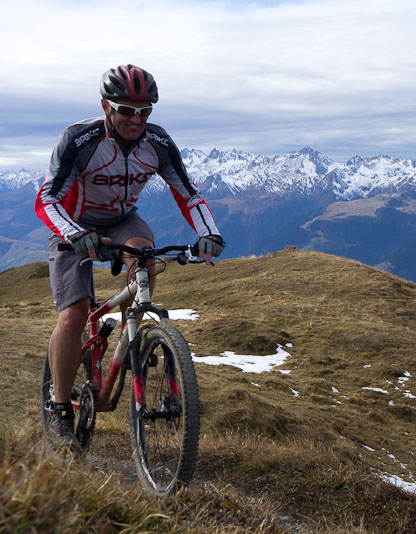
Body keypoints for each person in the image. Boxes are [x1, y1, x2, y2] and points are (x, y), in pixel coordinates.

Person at [35, 64, 225, 455]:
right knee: (73, 316)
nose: (136, 120)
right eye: (126, 110)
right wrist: (75, 233)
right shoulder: (78, 139)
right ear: (106, 106)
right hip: (74, 226)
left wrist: (209, 233)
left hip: (122, 221)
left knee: (145, 252)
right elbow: (47, 199)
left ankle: (133, 336)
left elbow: (188, 194)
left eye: (145, 112)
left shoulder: (157, 142)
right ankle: (59, 409)